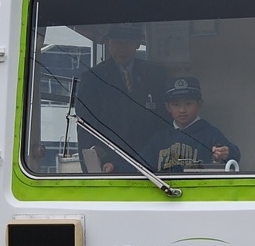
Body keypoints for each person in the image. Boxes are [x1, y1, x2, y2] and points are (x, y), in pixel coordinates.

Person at [75, 24, 168, 172]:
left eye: (128, 42)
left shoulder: (155, 76)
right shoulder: (93, 78)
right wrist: (91, 167)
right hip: (109, 163)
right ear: (108, 42)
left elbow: (165, 120)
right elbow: (86, 126)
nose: (122, 48)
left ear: (137, 44)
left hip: (150, 163)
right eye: (117, 42)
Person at [142, 76, 241, 172]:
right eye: (176, 104)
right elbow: (140, 166)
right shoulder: (159, 139)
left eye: (188, 103)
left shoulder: (210, 134)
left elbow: (233, 155)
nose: (182, 110)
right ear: (168, 107)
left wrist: (225, 153)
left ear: (200, 104)